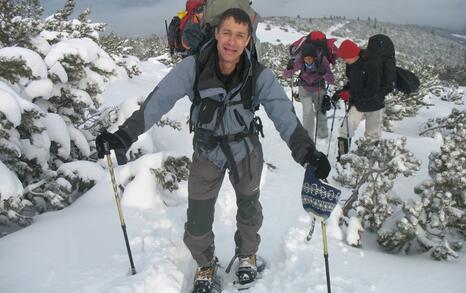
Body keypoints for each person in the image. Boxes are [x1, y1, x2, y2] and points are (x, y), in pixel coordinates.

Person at [95, 8, 331, 289]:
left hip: (245, 148)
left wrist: (307, 153)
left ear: (248, 40)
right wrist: (124, 136)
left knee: (249, 207)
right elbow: (159, 101)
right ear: (217, 33)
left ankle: (248, 256)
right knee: (198, 216)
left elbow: (283, 114)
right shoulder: (193, 67)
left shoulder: (258, 75)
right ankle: (205, 265)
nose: (232, 41)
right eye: (227, 32)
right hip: (207, 150)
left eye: (240, 35)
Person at [333, 39, 386, 161]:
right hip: (358, 103)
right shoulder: (350, 65)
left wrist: (350, 94)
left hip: (375, 104)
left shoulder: (372, 65)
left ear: (353, 55)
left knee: (372, 136)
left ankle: (369, 163)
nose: (344, 60)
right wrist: (342, 92)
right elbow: (352, 83)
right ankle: (342, 159)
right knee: (344, 130)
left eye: (345, 57)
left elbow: (372, 91)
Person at [284, 43, 335, 141]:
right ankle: (308, 137)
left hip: (319, 88)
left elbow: (331, 79)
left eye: (310, 58)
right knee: (308, 113)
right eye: (306, 58)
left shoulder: (322, 60)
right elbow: (286, 75)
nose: (308, 60)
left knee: (321, 112)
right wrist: (289, 68)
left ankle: (323, 135)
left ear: (315, 57)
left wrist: (324, 73)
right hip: (304, 87)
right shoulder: (300, 60)